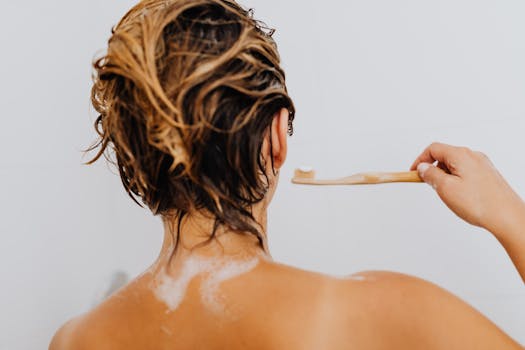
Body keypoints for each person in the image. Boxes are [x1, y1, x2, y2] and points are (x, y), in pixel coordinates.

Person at [50, 0, 524, 349]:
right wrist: (509, 215)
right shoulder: (387, 314)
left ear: (133, 158)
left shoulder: (75, 340)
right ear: (277, 136)